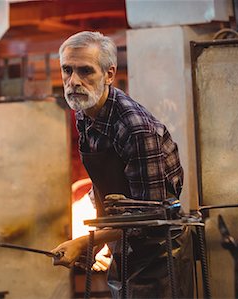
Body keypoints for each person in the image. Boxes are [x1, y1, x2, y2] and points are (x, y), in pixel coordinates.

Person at [50, 31, 193, 298]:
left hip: (159, 255)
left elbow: (150, 216)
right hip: (126, 242)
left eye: (85, 71)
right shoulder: (84, 113)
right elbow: (107, 184)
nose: (73, 82)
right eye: (67, 70)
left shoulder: (134, 128)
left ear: (109, 74)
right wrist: (103, 242)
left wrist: (86, 241)